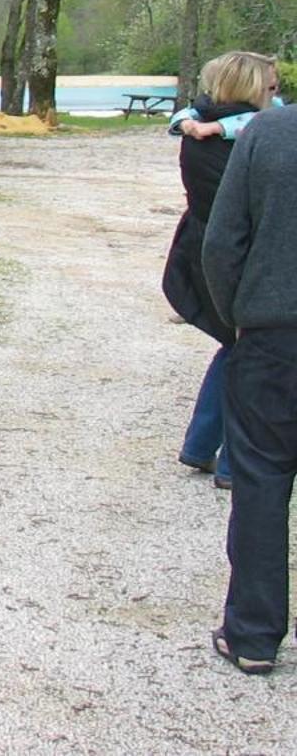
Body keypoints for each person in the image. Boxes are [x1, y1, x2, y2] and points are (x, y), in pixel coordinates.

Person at [202, 74, 297, 674]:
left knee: (261, 480)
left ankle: (254, 635)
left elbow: (222, 242)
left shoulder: (270, 131)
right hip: (270, 326)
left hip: (273, 331)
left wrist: (238, 315)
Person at [164, 53, 281, 487]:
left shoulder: (201, 126)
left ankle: (200, 444)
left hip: (203, 253)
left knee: (234, 348)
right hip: (235, 258)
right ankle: (235, 464)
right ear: (251, 89)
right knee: (253, 356)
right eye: (271, 88)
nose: (278, 95)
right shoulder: (248, 135)